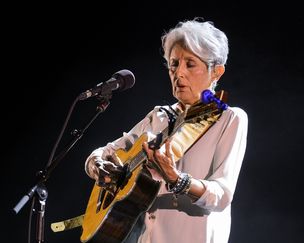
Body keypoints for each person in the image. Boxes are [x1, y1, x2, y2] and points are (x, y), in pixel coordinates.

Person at [84, 18, 248, 243]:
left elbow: (222, 195)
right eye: (174, 64)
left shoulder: (229, 118)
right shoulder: (158, 116)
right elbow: (106, 151)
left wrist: (177, 179)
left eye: (190, 64)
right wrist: (96, 164)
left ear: (216, 72)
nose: (178, 73)